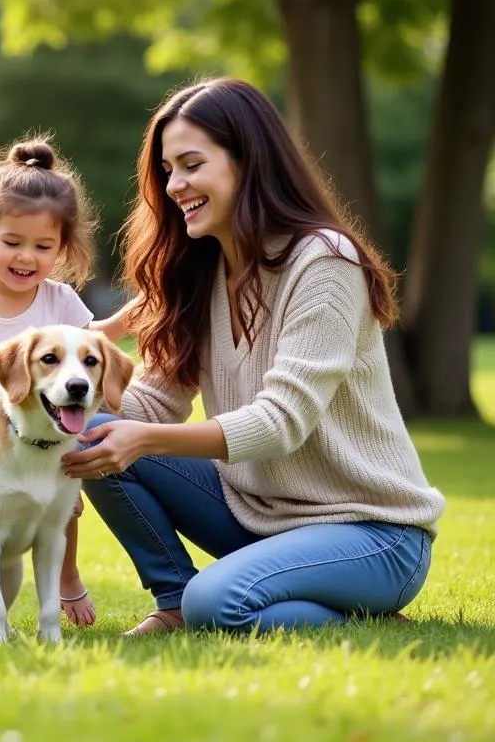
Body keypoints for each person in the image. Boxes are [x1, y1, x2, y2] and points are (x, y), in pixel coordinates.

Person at [61, 78, 445, 635]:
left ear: (249, 161)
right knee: (91, 432)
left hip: (374, 532)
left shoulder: (325, 263)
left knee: (216, 604)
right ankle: (173, 599)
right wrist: (61, 386)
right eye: (168, 170)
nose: (174, 186)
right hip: (259, 515)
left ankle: (362, 613)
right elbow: (149, 404)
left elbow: (280, 422)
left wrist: (141, 439)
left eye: (191, 165)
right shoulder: (200, 270)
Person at [0, 136, 132, 627]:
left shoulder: (61, 302)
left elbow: (88, 355)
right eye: (12, 243)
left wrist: (135, 314)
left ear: (62, 248)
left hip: (46, 427)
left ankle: (67, 577)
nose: (26, 257)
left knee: (65, 498)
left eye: (43, 246)